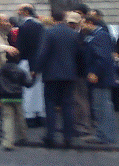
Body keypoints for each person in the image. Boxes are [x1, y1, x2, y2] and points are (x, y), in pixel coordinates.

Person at [34, 10, 81, 149]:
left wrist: (36, 69)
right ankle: (68, 137)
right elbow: (79, 54)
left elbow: (43, 53)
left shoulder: (49, 32)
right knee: (67, 106)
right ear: (65, 18)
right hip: (69, 75)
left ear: (53, 19)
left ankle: (51, 136)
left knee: (50, 106)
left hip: (51, 75)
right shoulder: (73, 34)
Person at [81, 14, 118, 144]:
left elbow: (101, 57)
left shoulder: (100, 36)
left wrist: (94, 72)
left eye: (83, 23)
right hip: (101, 77)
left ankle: (105, 136)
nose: (82, 26)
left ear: (90, 22)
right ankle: (102, 133)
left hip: (101, 78)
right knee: (101, 107)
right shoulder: (98, 35)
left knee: (102, 107)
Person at [0, 52, 34, 150]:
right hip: (17, 97)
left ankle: (8, 142)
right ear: (17, 59)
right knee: (20, 117)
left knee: (8, 119)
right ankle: (22, 136)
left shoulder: (1, 70)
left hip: (5, 97)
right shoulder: (20, 71)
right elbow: (28, 84)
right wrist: (33, 77)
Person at [16, 4, 45, 127]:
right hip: (39, 62)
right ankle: (40, 115)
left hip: (27, 62)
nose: (18, 12)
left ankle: (29, 116)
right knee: (39, 91)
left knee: (27, 90)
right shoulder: (40, 26)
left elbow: (22, 47)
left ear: (26, 12)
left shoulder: (24, 27)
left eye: (20, 10)